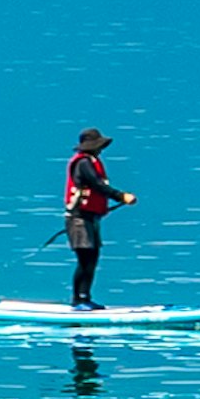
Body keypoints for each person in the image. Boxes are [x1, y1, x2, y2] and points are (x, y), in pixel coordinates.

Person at [59, 123, 132, 308]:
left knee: (92, 258)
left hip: (90, 218)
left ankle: (85, 297)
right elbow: (97, 185)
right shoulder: (83, 163)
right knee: (85, 259)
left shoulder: (91, 161)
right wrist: (121, 196)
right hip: (78, 219)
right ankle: (79, 300)